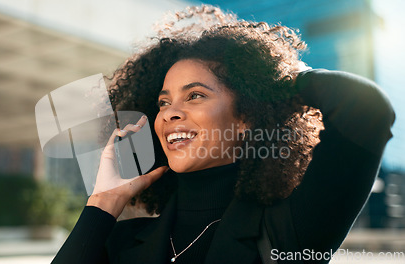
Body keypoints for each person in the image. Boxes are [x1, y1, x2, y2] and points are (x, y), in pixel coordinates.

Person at [52, 5, 395, 264]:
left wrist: (270, 85)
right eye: (163, 101)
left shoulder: (288, 232)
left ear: (246, 116)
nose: (170, 112)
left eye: (195, 95)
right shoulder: (123, 240)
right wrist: (104, 201)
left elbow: (367, 110)